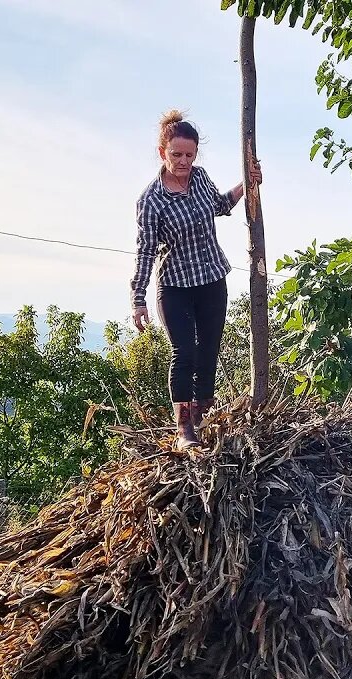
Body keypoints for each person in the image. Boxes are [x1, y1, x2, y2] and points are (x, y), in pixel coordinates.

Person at [131, 110, 262, 449]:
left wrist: (247, 185)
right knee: (183, 352)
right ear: (163, 153)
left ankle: (203, 416)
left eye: (189, 155)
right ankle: (185, 428)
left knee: (209, 351)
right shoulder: (151, 200)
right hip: (174, 284)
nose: (184, 161)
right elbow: (145, 250)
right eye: (177, 155)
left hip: (210, 278)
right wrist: (138, 297)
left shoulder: (200, 178)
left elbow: (220, 205)